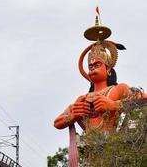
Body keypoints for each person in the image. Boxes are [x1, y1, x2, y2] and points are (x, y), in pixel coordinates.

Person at [53, 17, 147, 166]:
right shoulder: (83, 98)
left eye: (97, 64)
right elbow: (57, 122)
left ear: (108, 69)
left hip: (112, 148)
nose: (92, 67)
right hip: (89, 152)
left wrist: (113, 105)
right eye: (90, 66)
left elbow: (143, 99)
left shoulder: (117, 90)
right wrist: (73, 115)